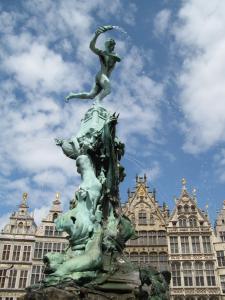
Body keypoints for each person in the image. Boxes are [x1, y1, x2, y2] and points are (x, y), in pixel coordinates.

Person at [65, 25, 121, 105]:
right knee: (108, 89)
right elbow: (91, 47)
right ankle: (98, 101)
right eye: (110, 44)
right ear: (109, 45)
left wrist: (108, 54)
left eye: (112, 45)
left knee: (90, 95)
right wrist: (96, 35)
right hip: (101, 75)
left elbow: (119, 59)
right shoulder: (102, 53)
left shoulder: (114, 55)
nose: (112, 47)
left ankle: (72, 95)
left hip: (103, 77)